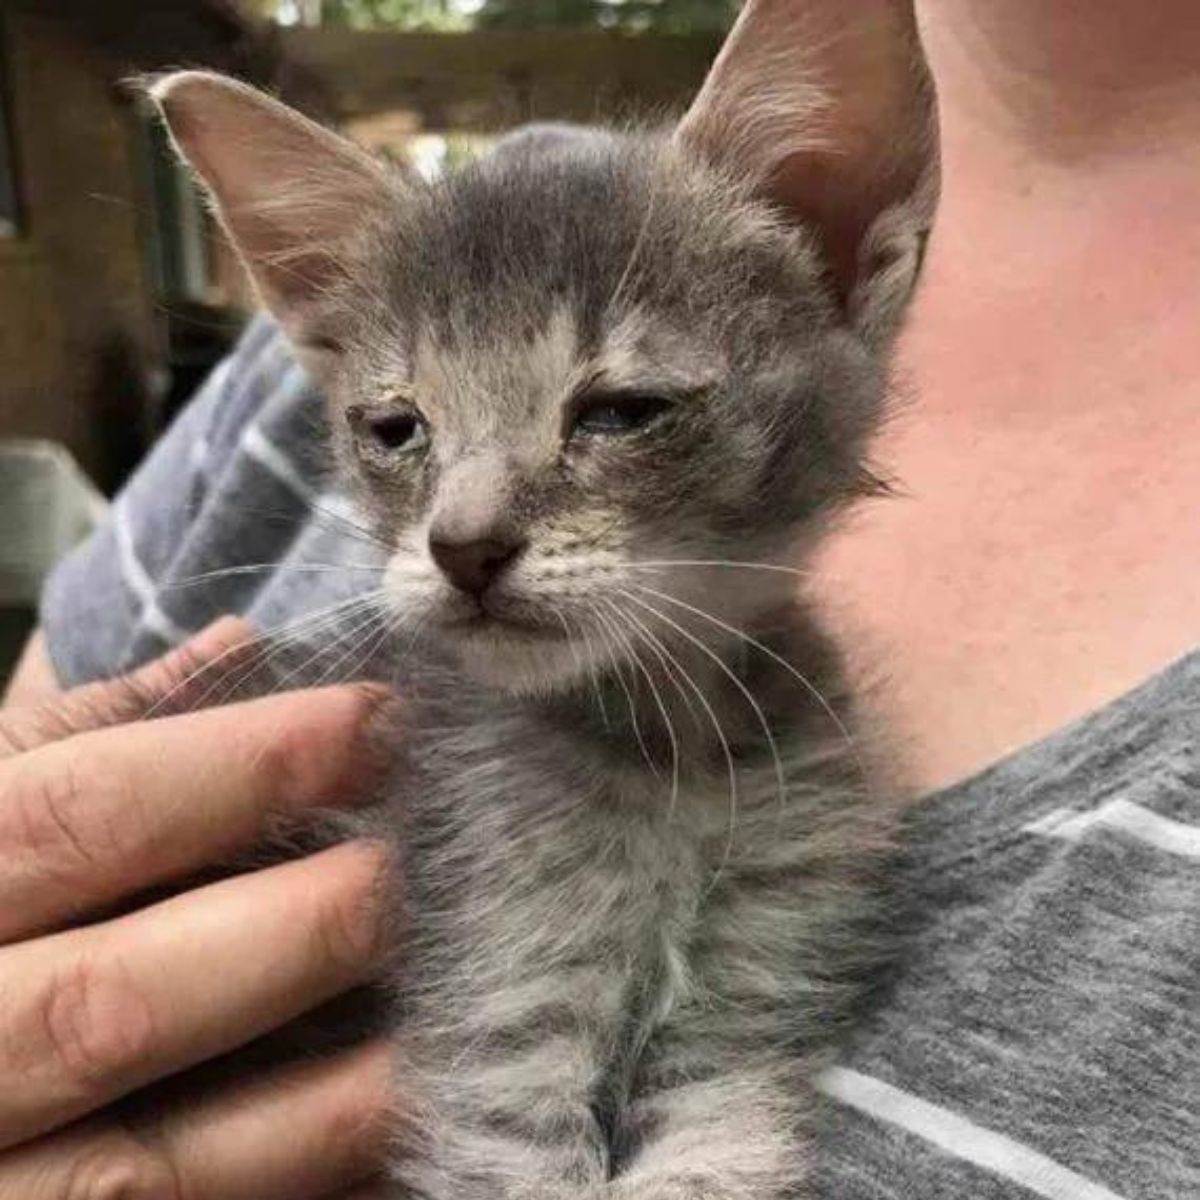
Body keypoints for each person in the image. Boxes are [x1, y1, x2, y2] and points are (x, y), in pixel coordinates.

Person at [3, 0, 1197, 1196]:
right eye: (396, 429)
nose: (461, 529)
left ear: (839, 250)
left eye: (622, 411)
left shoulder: (809, 754)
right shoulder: (317, 398)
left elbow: (728, 1092)